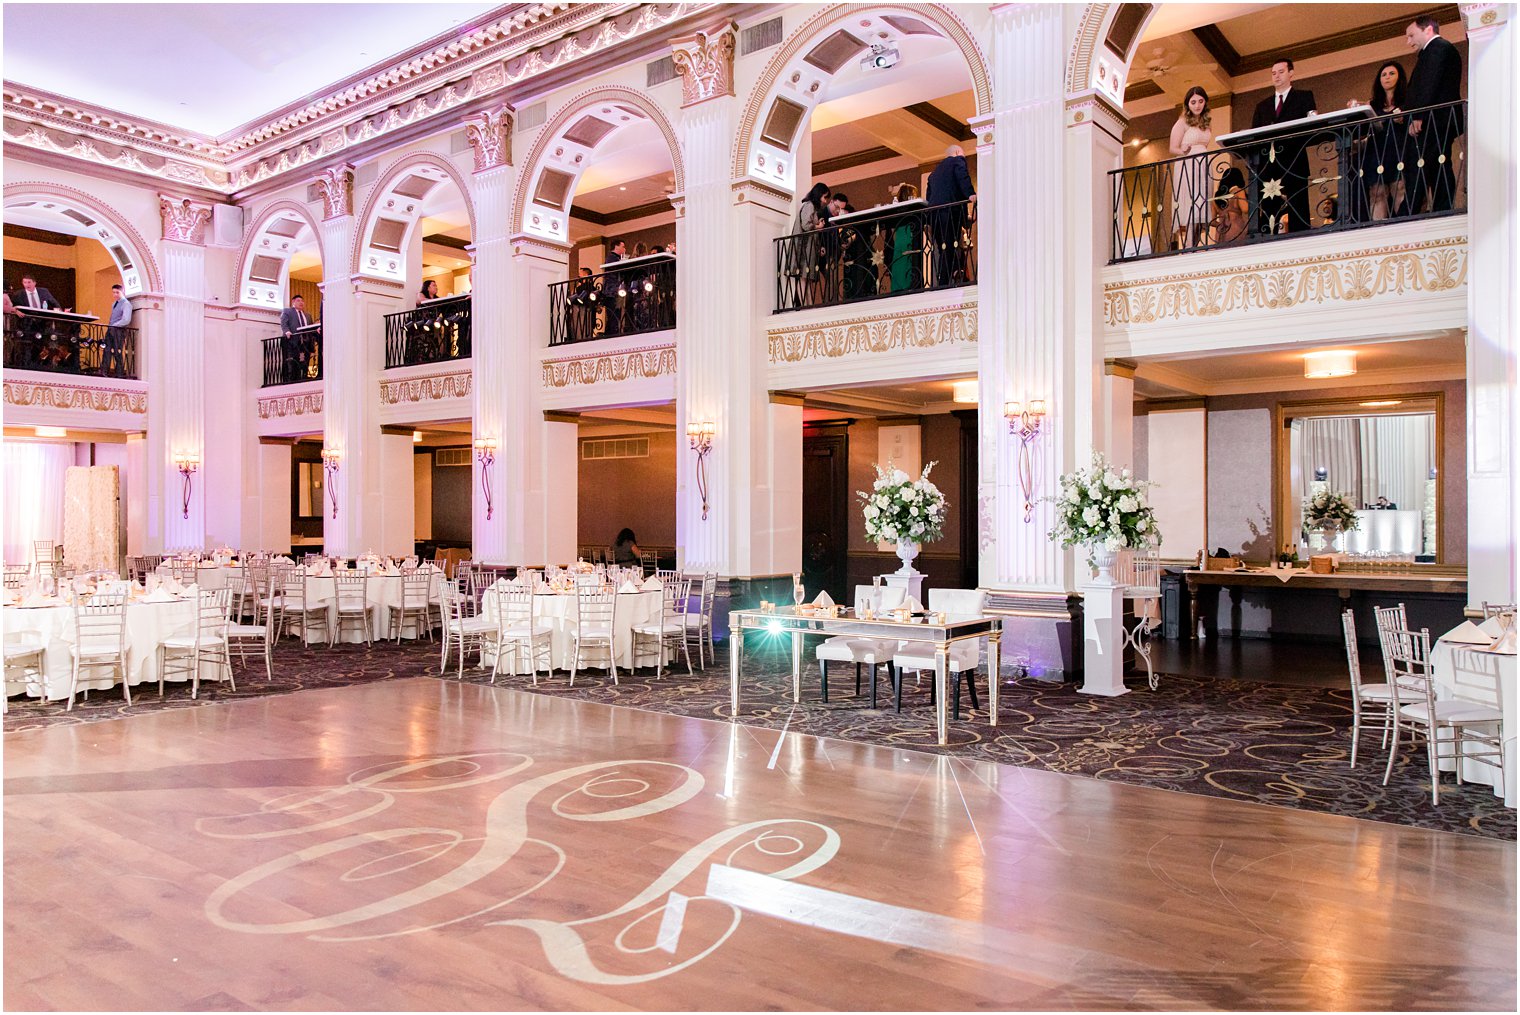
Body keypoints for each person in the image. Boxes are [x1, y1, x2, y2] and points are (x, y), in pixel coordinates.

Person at [1399, 15, 1463, 216]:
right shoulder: (1437, 50)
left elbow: (1429, 83)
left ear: (1428, 30)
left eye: (1411, 35)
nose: (1409, 42)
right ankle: (1439, 207)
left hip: (1435, 119)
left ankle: (1412, 210)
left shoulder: (1437, 48)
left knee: (1428, 163)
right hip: (1437, 118)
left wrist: (1419, 115)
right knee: (1437, 164)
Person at [1250, 58, 1317, 234]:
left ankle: (1301, 238)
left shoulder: (1304, 97)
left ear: (1291, 73)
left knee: (1298, 205)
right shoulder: (1262, 106)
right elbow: (1254, 134)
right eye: (1273, 73)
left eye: (1281, 72)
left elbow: (1312, 125)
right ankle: (1266, 238)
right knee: (1269, 208)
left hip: (1295, 159)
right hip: (1269, 164)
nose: (1277, 76)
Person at [1348, 62, 1408, 222]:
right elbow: (1364, 127)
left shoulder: (1406, 101)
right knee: (1377, 192)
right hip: (1376, 150)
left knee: (1399, 188)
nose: (1387, 77)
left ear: (1399, 77)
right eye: (1384, 74)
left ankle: (1403, 226)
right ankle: (1378, 228)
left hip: (1398, 148)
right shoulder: (1372, 104)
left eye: (1391, 73)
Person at [1169, 86, 1215, 249]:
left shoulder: (1207, 123)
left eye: (1200, 101)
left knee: (1202, 202)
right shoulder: (1182, 122)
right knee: (1191, 202)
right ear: (1188, 104)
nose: (1197, 105)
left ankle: (1194, 243)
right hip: (1188, 164)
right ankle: (1188, 244)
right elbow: (1172, 147)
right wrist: (1183, 150)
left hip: (1203, 165)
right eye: (1193, 102)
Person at [925, 145, 976, 286]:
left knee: (943, 247)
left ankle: (948, 278)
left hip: (935, 214)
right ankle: (945, 282)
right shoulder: (957, 161)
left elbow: (929, 197)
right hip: (950, 211)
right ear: (958, 152)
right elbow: (962, 177)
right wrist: (970, 193)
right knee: (950, 246)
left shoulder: (933, 173)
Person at [10, 274, 61, 369]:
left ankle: (37, 365)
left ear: (34, 283)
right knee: (25, 346)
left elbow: (54, 303)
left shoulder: (43, 291)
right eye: (24, 282)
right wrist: (16, 311)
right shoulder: (18, 294)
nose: (27, 284)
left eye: (29, 282)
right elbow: (10, 306)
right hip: (26, 324)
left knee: (40, 345)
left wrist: (59, 310)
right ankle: (24, 365)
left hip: (41, 323)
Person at [885, 183, 922, 292]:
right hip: (908, 237)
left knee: (900, 266)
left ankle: (899, 288)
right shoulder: (912, 210)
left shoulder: (897, 210)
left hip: (899, 241)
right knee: (908, 263)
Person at [279, 294, 312, 384]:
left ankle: (303, 378)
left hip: (305, 343)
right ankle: (290, 381)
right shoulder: (287, 311)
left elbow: (310, 327)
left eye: (302, 301)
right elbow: (284, 323)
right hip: (292, 342)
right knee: (291, 363)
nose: (301, 302)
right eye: (298, 300)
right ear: (293, 302)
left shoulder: (307, 315)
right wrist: (287, 332)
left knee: (304, 362)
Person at [102, 283, 131, 377]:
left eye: (117, 292)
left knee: (117, 351)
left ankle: (119, 373)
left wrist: (115, 325)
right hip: (111, 329)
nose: (115, 295)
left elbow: (126, 319)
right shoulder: (114, 304)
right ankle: (104, 371)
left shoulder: (126, 304)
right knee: (107, 350)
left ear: (122, 291)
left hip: (118, 330)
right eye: (113, 292)